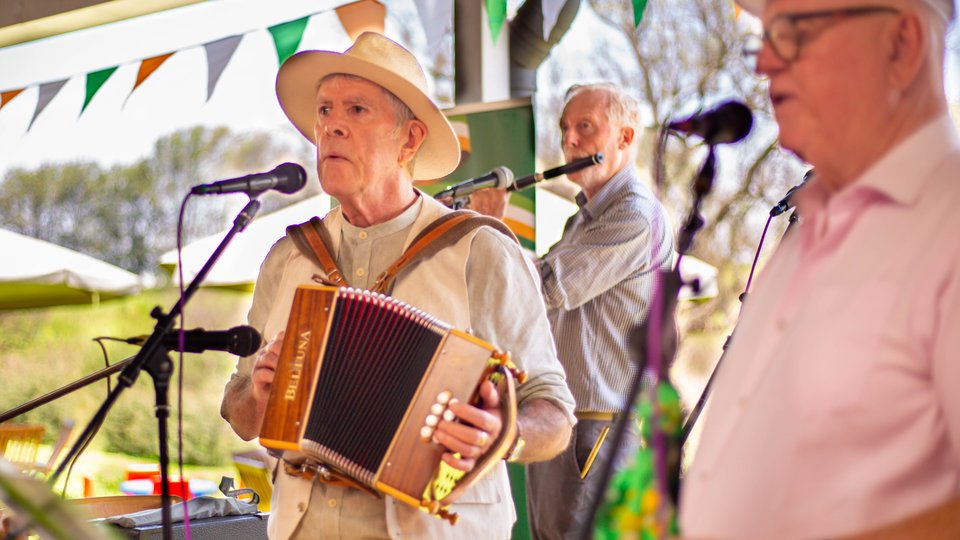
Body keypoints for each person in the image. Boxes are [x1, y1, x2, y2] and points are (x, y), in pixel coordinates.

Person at [219, 32, 576, 540]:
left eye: (357, 109)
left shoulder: (480, 250)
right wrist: (259, 397)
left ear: (409, 140)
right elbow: (239, 412)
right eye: (324, 111)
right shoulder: (288, 256)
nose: (331, 126)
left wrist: (505, 435)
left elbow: (555, 414)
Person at [679, 0, 960, 538]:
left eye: (791, 33)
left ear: (901, 44)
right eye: (763, 36)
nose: (763, 63)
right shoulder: (808, 230)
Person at [469, 82, 675, 539]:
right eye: (565, 128)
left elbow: (546, 287)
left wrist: (491, 225)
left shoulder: (634, 215)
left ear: (625, 138)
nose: (569, 141)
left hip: (596, 429)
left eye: (585, 127)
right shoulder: (583, 217)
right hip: (565, 422)